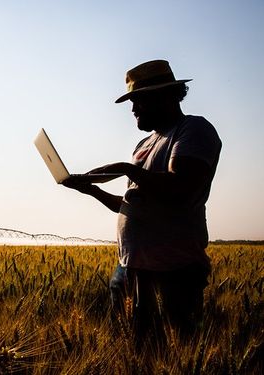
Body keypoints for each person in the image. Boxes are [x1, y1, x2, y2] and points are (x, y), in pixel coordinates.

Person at [63, 60, 222, 342]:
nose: (133, 109)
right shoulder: (144, 144)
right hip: (129, 266)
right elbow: (132, 202)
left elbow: (181, 188)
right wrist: (91, 191)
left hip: (171, 270)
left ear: (166, 96)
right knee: (136, 352)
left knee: (175, 351)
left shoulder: (192, 130)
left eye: (138, 100)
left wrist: (127, 168)